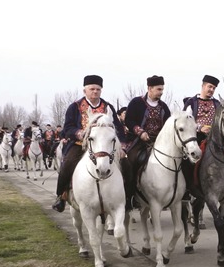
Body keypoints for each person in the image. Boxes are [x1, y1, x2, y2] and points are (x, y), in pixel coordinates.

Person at [52, 75, 125, 212]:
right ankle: (60, 196)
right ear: (85, 90)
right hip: (80, 145)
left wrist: (123, 146)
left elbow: (118, 128)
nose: (95, 92)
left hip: (105, 146)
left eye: (98, 89)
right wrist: (79, 133)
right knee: (67, 165)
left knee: (125, 164)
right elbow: (67, 127)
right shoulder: (75, 107)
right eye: (92, 89)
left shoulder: (108, 107)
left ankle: (125, 197)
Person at [123, 75, 171, 210]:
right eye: (158, 89)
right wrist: (140, 132)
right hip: (138, 141)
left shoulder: (164, 107)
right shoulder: (136, 103)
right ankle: (131, 196)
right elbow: (129, 120)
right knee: (132, 162)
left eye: (162, 89)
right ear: (149, 88)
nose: (161, 92)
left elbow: (168, 125)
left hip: (159, 142)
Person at [181, 74, 222, 198]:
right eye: (209, 87)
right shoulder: (191, 102)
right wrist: (199, 127)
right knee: (187, 161)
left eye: (214, 88)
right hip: (195, 137)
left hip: (214, 138)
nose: (211, 90)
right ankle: (187, 189)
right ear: (203, 86)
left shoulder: (217, 104)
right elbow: (185, 120)